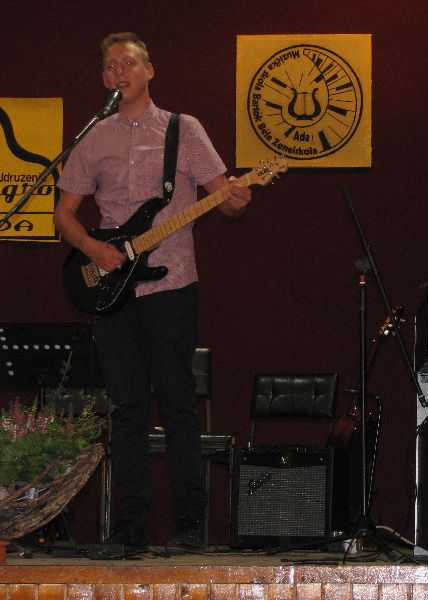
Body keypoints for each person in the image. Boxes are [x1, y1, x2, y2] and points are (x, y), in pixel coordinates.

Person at [54, 32, 253, 554]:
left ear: (149, 70)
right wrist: (93, 250)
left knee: (177, 404)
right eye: (109, 66)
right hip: (112, 289)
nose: (117, 72)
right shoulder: (93, 137)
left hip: (171, 283)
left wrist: (236, 199)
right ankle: (128, 531)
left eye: (127, 63)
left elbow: (223, 199)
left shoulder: (184, 130)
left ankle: (188, 527)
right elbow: (64, 215)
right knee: (126, 409)